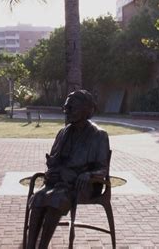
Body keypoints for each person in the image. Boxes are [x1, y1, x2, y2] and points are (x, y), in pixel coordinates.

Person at [26, 90, 110, 249]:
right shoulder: (63, 133)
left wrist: (88, 174)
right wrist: (52, 166)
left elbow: (103, 169)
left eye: (72, 108)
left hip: (84, 185)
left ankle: (42, 246)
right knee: (37, 199)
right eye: (66, 108)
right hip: (59, 183)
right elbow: (54, 160)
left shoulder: (99, 135)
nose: (67, 111)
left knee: (55, 200)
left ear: (86, 110)